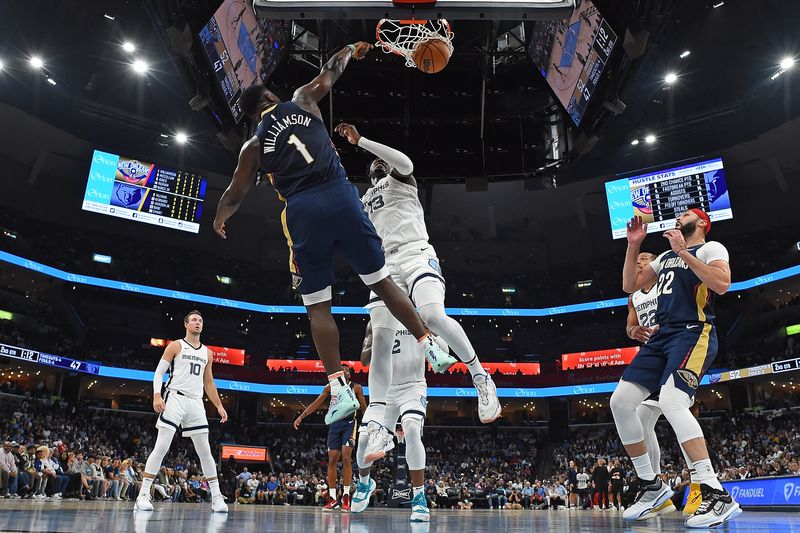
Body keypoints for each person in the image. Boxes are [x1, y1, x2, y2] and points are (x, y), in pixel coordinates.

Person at [214, 42, 452, 427]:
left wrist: (220, 218)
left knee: (318, 306)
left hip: (304, 211)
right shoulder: (302, 99)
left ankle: (338, 388)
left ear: (252, 114)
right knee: (382, 282)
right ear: (272, 97)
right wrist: (350, 49)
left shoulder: (253, 146)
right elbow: (330, 70)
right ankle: (430, 345)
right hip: (341, 196)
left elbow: (235, 193)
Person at [334, 123, 500, 456]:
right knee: (380, 339)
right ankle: (379, 423)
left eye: (382, 163)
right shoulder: (365, 200)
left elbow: (406, 162)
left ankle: (481, 377)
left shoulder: (402, 179)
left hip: (417, 254)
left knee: (431, 315)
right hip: (386, 267)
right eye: (375, 167)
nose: (380, 166)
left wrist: (362, 141)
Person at [610, 210, 741, 527]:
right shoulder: (665, 256)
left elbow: (722, 284)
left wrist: (684, 252)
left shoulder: (711, 249)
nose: (677, 216)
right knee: (621, 403)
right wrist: (633, 244)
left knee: (672, 401)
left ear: (701, 223)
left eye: (685, 213)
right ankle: (651, 486)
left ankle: (716, 494)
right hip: (661, 335)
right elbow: (630, 284)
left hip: (693, 332)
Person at [133, 310, 228, 513]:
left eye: (200, 320)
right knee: (162, 446)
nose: (198, 322)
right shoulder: (176, 345)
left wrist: (219, 405)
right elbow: (159, 372)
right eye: (194, 319)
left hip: (195, 402)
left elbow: (209, 382)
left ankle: (217, 497)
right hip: (174, 397)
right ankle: (143, 495)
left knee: (205, 451)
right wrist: (157, 395)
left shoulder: (208, 353)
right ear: (186, 324)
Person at [626, 251, 696, 517]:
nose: (640, 261)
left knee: (675, 412)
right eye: (638, 259)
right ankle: (655, 486)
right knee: (642, 421)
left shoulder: (668, 279)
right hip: (653, 356)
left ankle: (699, 482)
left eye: (645, 258)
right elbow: (630, 326)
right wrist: (633, 331)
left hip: (677, 350)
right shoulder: (634, 295)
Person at [351, 323, 436, 522]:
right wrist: (380, 338)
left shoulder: (417, 315)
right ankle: (364, 483)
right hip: (384, 390)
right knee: (363, 440)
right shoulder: (376, 320)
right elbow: (364, 360)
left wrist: (428, 332)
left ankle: (419, 498)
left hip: (413, 386)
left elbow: (442, 348)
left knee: (412, 430)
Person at [294, 364, 367, 511]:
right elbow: (317, 402)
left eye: (347, 369)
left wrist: (368, 424)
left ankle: (346, 496)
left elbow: (364, 408)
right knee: (332, 460)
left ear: (350, 375)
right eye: (342, 369)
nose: (344, 371)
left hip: (350, 423)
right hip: (334, 424)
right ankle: (333, 498)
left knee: (346, 457)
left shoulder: (357, 387)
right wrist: (301, 416)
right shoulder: (330, 387)